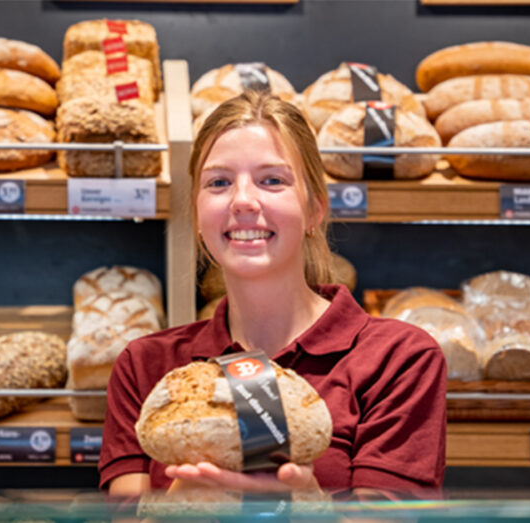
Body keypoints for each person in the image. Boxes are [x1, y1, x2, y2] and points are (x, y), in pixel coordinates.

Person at [99, 90, 446, 498]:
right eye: (219, 182)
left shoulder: (398, 360)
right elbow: (123, 513)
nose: (243, 200)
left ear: (315, 208)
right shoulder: (146, 367)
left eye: (272, 180)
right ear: (195, 213)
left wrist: (302, 503)